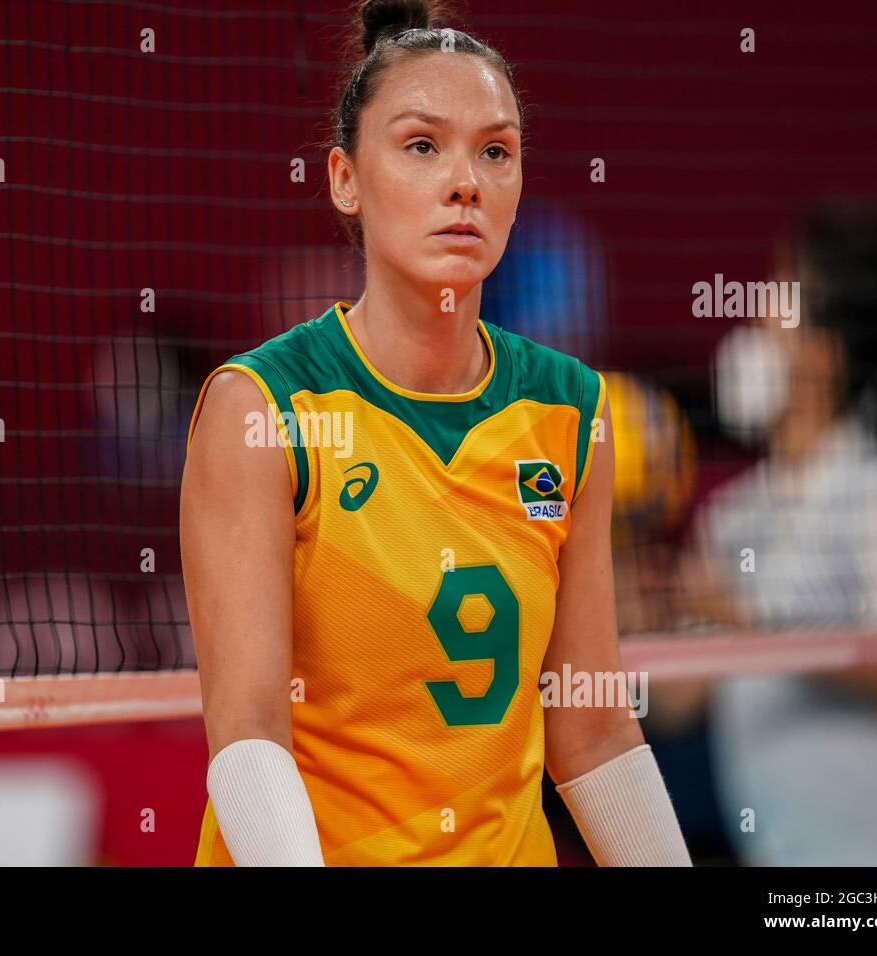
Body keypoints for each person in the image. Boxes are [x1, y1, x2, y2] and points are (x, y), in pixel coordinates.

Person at [179, 0, 690, 866]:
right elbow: (250, 731)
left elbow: (594, 725)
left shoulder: (573, 411)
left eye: (496, 150)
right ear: (344, 178)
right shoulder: (263, 407)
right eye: (422, 145)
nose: (466, 181)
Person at [687, 204, 877, 864]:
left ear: (826, 354)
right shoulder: (732, 516)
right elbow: (677, 698)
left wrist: (749, 624)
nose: (757, 322)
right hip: (781, 853)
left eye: (783, 293)